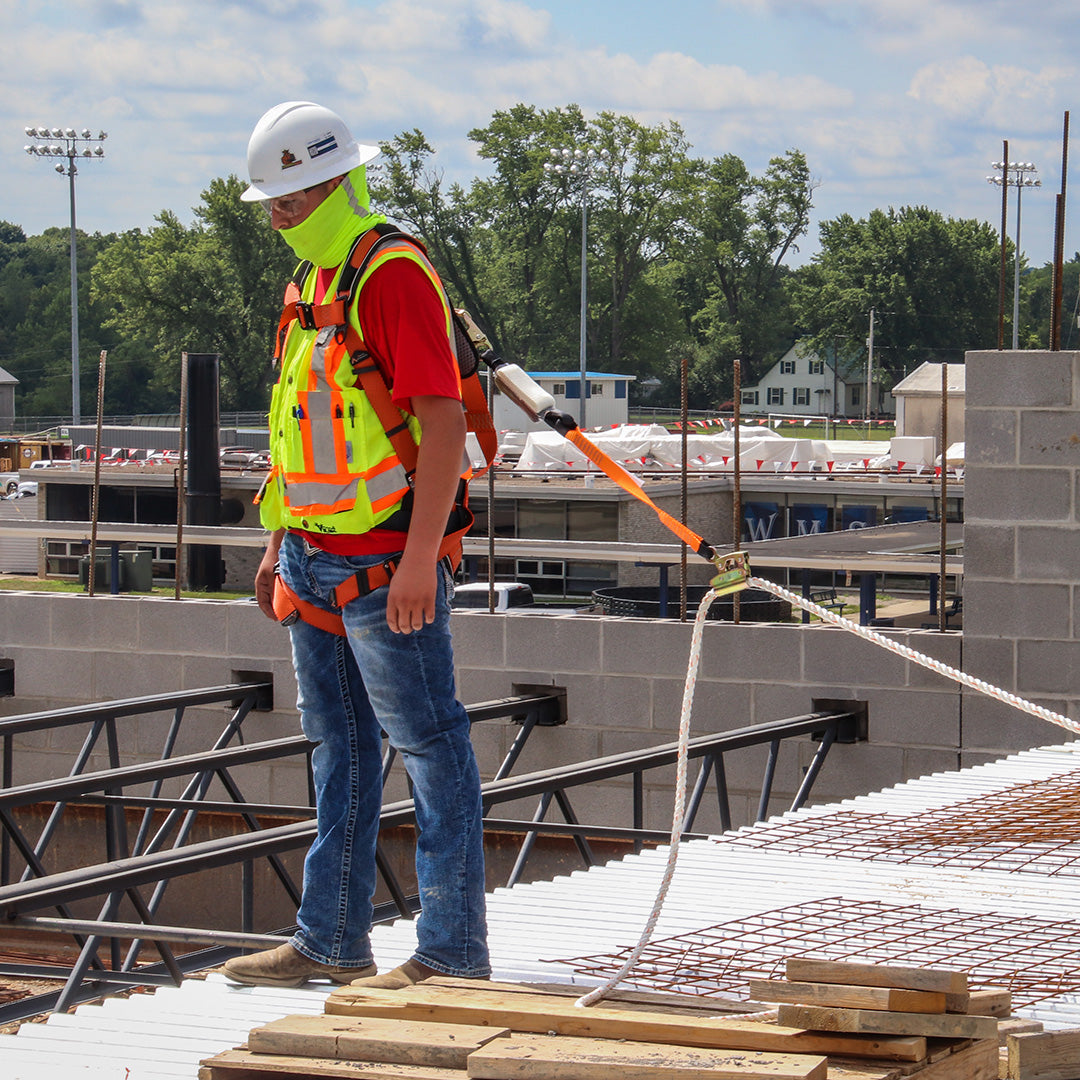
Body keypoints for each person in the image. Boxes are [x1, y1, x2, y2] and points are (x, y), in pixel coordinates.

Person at [219, 101, 489, 989]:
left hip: (383, 566)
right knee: (339, 750)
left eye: (289, 201)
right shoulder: (311, 285)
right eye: (272, 203)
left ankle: (450, 951)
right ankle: (330, 938)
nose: (276, 218)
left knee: (431, 746)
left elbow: (442, 424)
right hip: (312, 558)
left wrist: (419, 559)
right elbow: (300, 430)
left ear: (333, 182)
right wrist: (276, 543)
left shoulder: (391, 274)